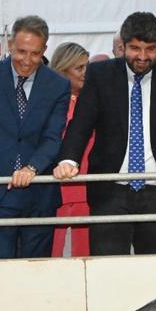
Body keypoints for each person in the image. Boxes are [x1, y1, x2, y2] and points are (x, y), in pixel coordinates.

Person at [53, 11, 156, 255]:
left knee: (155, 269)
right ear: (123, 46)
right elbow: (81, 124)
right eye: (135, 48)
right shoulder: (100, 74)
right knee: (108, 268)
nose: (142, 56)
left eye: (150, 49)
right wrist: (68, 160)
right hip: (110, 191)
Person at [0, 15, 70, 259]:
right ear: (10, 45)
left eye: (35, 53)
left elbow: (53, 136)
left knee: (37, 268)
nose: (27, 60)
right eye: (21, 51)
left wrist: (32, 167)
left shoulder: (58, 85)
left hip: (39, 194)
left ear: (44, 49)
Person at [49, 42, 93, 257]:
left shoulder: (93, 102)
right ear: (63, 69)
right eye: (79, 68)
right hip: (56, 189)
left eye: (87, 67)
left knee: (84, 255)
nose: (85, 73)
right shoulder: (50, 104)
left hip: (88, 187)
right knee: (53, 254)